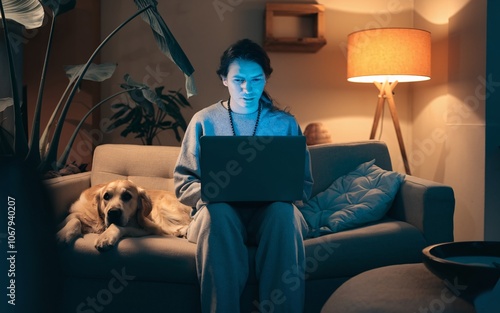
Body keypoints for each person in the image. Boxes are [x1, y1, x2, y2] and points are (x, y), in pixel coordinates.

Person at [174, 38, 314, 313]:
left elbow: (304, 184)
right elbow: (183, 182)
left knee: (284, 215)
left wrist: (284, 193)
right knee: (219, 215)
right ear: (224, 79)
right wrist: (211, 194)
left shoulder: (284, 123)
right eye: (238, 80)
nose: (248, 89)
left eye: (256, 79)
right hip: (220, 214)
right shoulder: (203, 120)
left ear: (266, 78)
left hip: (271, 215)